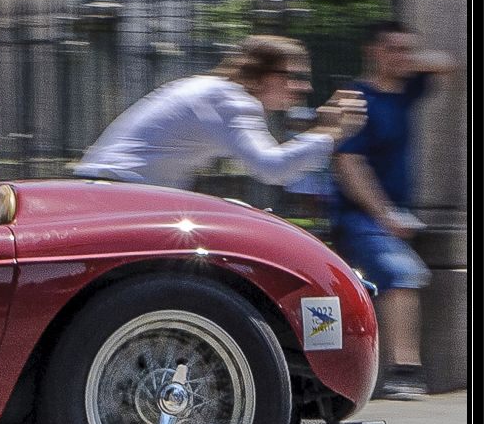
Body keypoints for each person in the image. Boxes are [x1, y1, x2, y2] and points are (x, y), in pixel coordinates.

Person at [330, 22, 457, 400]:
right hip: (359, 218)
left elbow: (447, 63)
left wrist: (406, 58)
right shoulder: (355, 98)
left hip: (389, 219)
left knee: (393, 280)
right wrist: (384, 215)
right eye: (393, 49)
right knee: (402, 276)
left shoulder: (404, 91)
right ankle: (404, 372)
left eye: (408, 50)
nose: (404, 57)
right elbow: (349, 165)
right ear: (373, 51)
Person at [75, 34, 365, 191]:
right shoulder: (231, 101)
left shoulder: (214, 91)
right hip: (120, 194)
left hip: (110, 191)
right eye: (292, 76)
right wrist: (331, 133)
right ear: (258, 73)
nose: (303, 87)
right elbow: (272, 169)